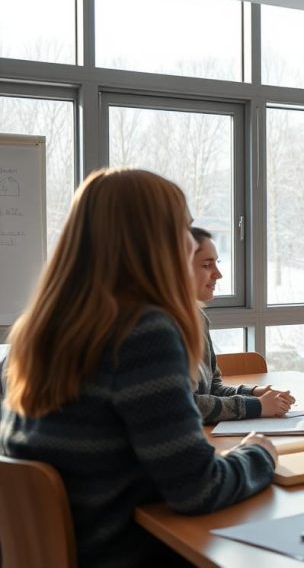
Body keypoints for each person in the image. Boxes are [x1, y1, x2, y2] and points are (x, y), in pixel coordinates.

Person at [0, 168, 277, 568]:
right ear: (154, 241)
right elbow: (198, 489)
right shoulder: (140, 332)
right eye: (183, 226)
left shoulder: (41, 330)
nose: (189, 239)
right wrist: (259, 453)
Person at [190, 227, 294, 423]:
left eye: (217, 263)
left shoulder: (198, 318)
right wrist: (258, 406)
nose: (218, 275)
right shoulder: (164, 328)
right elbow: (188, 404)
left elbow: (213, 389)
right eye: (206, 265)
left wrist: (254, 393)